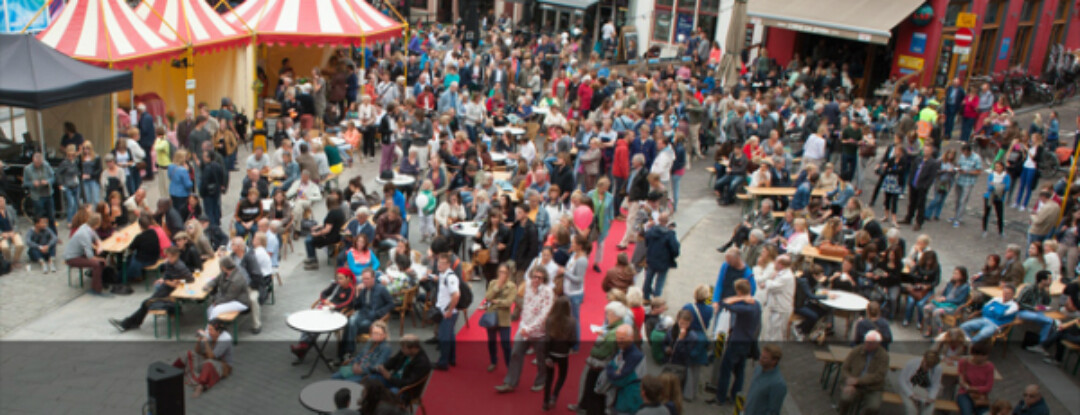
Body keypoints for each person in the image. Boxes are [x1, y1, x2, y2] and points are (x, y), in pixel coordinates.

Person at [496, 266, 554, 393]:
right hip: (523, 329)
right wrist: (523, 326)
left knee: (541, 358)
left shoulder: (548, 292)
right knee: (516, 353)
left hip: (539, 332)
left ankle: (541, 381)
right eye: (534, 276)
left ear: (544, 279)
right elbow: (525, 307)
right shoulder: (527, 285)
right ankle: (510, 383)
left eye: (539, 277)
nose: (536, 279)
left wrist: (529, 328)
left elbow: (544, 315)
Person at [109, 246, 194, 332]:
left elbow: (190, 279)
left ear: (176, 256)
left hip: (170, 293)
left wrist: (177, 282)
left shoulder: (180, 266)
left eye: (171, 257)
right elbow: (167, 276)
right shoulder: (169, 263)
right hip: (164, 289)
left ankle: (126, 324)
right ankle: (129, 323)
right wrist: (167, 281)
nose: (169, 258)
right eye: (168, 256)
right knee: (146, 303)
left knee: (146, 303)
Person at [709, 279, 761, 407]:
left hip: (737, 342)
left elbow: (725, 304)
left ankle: (720, 398)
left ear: (739, 291)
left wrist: (738, 298)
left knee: (725, 370)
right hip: (747, 342)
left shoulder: (744, 308)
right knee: (740, 371)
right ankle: (734, 396)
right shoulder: (757, 305)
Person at [290, 266, 355, 359]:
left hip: (337, 313)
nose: (338, 280)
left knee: (316, 323)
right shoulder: (336, 285)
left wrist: (334, 305)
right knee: (309, 321)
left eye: (341, 278)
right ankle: (303, 345)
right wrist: (325, 301)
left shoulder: (351, 289)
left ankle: (303, 347)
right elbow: (323, 293)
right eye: (338, 277)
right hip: (326, 309)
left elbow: (348, 303)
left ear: (348, 278)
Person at [341, 268, 394, 360]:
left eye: (367, 279)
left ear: (373, 279)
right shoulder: (364, 290)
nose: (364, 281)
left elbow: (391, 304)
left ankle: (346, 353)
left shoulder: (381, 289)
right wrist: (357, 291)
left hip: (373, 318)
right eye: (363, 279)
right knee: (350, 322)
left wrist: (379, 313)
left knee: (352, 326)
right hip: (362, 313)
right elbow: (357, 306)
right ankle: (348, 352)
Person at [171, 319, 232, 398]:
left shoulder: (225, 340)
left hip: (221, 365)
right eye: (208, 329)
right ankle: (171, 372)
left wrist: (206, 342)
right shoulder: (209, 336)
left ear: (218, 331)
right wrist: (199, 341)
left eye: (211, 330)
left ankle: (200, 385)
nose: (209, 332)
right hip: (207, 359)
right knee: (188, 353)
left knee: (209, 363)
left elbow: (212, 357)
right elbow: (197, 351)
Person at [837, 330, 890, 415]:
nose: (867, 344)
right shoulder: (856, 351)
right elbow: (845, 368)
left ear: (878, 343)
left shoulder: (883, 356)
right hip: (855, 385)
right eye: (866, 341)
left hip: (873, 388)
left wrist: (858, 380)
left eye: (871, 343)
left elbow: (879, 376)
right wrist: (849, 380)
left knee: (873, 407)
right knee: (845, 399)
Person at [371, 334, 432, 400]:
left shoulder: (422, 363)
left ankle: (381, 406)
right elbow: (393, 361)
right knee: (372, 379)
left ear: (413, 348)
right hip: (394, 380)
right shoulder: (405, 352)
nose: (401, 350)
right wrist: (381, 368)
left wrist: (390, 378)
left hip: (406, 390)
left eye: (404, 348)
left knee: (391, 393)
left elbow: (408, 383)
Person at [542, 296, 577, 411]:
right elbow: (573, 340)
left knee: (549, 378)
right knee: (562, 376)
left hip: (551, 353)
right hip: (563, 354)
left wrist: (546, 356)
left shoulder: (550, 320)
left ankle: (545, 402)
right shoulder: (571, 321)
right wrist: (570, 347)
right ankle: (554, 395)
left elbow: (546, 340)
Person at [63, 213, 109, 295]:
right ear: (97, 223)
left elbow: (96, 237)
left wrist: (100, 246)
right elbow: (90, 256)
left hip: (78, 254)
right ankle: (96, 289)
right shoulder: (85, 235)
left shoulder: (86, 227)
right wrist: (101, 259)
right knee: (97, 264)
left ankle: (99, 282)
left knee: (100, 262)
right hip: (72, 258)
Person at [484, 263, 517, 372]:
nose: (502, 274)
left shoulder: (512, 286)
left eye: (504, 272)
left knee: (506, 344)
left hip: (504, 319)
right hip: (492, 317)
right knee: (491, 342)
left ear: (508, 274)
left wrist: (496, 301)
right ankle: (493, 361)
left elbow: (508, 303)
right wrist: (497, 287)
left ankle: (509, 365)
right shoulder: (493, 283)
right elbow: (488, 297)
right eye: (500, 272)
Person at [900, 144, 941, 231]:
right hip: (914, 184)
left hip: (922, 186)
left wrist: (925, 186)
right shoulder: (918, 159)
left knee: (920, 205)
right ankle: (908, 218)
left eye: (927, 150)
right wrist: (910, 181)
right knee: (912, 203)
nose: (925, 152)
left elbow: (931, 177)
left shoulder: (933, 163)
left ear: (931, 152)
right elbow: (912, 170)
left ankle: (919, 222)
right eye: (924, 150)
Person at [923, 267, 972, 337]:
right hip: (944, 304)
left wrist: (945, 299)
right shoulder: (950, 283)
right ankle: (929, 328)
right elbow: (944, 294)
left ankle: (940, 332)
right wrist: (940, 298)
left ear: (962, 276)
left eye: (956, 274)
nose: (954, 275)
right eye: (954, 273)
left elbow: (960, 300)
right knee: (926, 308)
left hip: (954, 307)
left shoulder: (965, 287)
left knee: (936, 312)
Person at [608, 324, 644, 415]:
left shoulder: (635, 356)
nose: (619, 341)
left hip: (628, 400)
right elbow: (611, 367)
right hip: (621, 397)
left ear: (631, 338)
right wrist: (614, 371)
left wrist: (612, 370)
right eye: (617, 338)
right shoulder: (623, 350)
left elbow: (618, 380)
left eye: (622, 338)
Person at [303, 194, 346, 270]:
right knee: (311, 236)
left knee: (309, 240)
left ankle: (313, 261)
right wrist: (319, 227)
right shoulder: (339, 210)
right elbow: (331, 224)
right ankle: (311, 258)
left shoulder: (332, 213)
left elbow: (327, 230)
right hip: (337, 234)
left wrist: (316, 234)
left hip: (331, 237)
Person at [643, 212, 680, 301]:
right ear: (667, 221)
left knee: (648, 279)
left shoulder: (651, 231)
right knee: (659, 282)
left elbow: (646, 242)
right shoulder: (670, 234)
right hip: (664, 261)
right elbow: (675, 249)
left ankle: (645, 297)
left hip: (652, 258)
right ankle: (656, 300)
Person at [742, 344, 787, 415]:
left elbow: (773, 411)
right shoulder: (758, 369)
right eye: (761, 356)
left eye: (765, 358)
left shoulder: (778, 384)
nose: (761, 359)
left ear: (774, 361)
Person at [433, 253, 460, 371]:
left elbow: (456, 295)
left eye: (443, 263)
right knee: (450, 335)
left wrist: (449, 311)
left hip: (448, 312)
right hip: (445, 310)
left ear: (448, 264)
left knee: (444, 337)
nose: (439, 265)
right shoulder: (442, 274)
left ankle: (443, 362)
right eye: (439, 262)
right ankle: (452, 359)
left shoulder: (451, 277)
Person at [1016, 271, 1055, 351]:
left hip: (1035, 312)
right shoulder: (1029, 288)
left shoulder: (1043, 290)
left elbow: (1047, 303)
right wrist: (1033, 308)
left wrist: (1047, 292)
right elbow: (1018, 303)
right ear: (1042, 280)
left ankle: (1041, 344)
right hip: (1023, 311)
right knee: (1046, 320)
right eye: (1049, 279)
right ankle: (1041, 344)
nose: (1051, 281)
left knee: (1049, 323)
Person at [203, 256, 251, 321]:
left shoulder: (237, 279)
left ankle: (211, 329)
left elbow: (229, 297)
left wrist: (216, 302)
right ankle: (212, 327)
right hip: (229, 298)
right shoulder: (224, 273)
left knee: (216, 310)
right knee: (209, 310)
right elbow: (215, 280)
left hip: (239, 301)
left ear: (224, 267)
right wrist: (208, 285)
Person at [759, 254, 795, 342]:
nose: (774, 263)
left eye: (776, 262)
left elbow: (772, 286)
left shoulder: (786, 277)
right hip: (775, 307)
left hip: (781, 309)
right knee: (770, 331)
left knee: (776, 334)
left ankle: (773, 352)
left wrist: (767, 282)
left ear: (781, 265)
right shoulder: (782, 273)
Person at [897, 350, 944, 415]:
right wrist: (911, 394)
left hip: (924, 390)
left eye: (930, 367)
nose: (927, 369)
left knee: (929, 409)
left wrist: (931, 397)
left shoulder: (937, 368)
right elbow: (902, 380)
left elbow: (935, 385)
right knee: (912, 409)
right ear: (924, 359)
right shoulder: (912, 363)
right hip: (909, 388)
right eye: (926, 365)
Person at [956, 342, 995, 415]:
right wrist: (967, 387)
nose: (981, 358)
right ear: (973, 354)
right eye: (978, 355)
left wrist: (973, 389)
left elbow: (988, 387)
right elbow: (961, 380)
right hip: (965, 393)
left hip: (980, 396)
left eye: (984, 355)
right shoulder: (963, 362)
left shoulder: (990, 367)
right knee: (966, 412)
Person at [23, 152, 56, 233]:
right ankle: (39, 234)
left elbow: (53, 177)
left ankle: (53, 234)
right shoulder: (27, 169)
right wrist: (32, 184)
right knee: (39, 217)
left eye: (40, 163)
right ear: (33, 161)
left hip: (48, 194)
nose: (38, 165)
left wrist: (48, 181)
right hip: (37, 196)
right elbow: (25, 183)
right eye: (36, 163)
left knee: (51, 216)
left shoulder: (46, 165)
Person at [0, 197, 25, 268]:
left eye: (2, 201)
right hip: (2, 234)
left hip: (12, 231)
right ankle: (8, 261)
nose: (1, 203)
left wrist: (13, 231)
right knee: (5, 247)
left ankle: (16, 260)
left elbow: (16, 222)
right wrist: (2, 233)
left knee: (20, 244)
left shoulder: (10, 209)